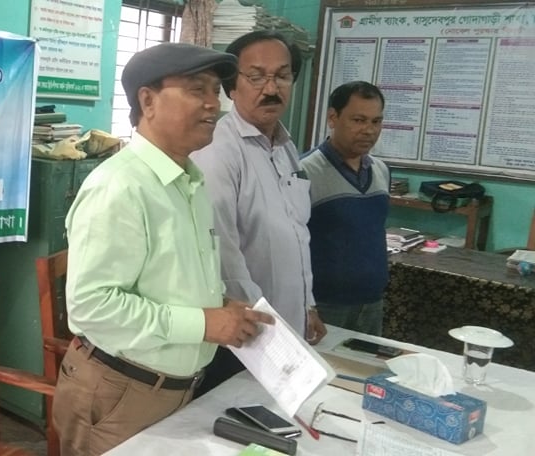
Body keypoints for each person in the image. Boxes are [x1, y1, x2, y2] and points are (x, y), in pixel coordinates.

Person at [51, 43, 275, 456]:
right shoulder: (120, 186)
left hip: (177, 390)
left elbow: (169, 279)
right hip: (120, 392)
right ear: (148, 101)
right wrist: (203, 323)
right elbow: (91, 307)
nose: (214, 104)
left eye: (216, 91)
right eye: (196, 89)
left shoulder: (190, 181)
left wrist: (221, 307)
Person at [191, 30, 327, 397]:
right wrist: (260, 326)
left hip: (286, 328)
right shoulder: (218, 149)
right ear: (232, 88)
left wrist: (307, 304)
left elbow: (297, 232)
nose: (271, 88)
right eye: (256, 77)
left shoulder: (285, 146)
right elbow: (221, 249)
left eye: (282, 76)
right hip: (247, 334)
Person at [300, 81, 389, 336]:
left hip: (371, 302)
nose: (369, 130)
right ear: (333, 118)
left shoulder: (381, 171)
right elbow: (291, 245)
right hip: (325, 305)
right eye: (358, 120)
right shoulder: (304, 172)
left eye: (376, 121)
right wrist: (306, 305)